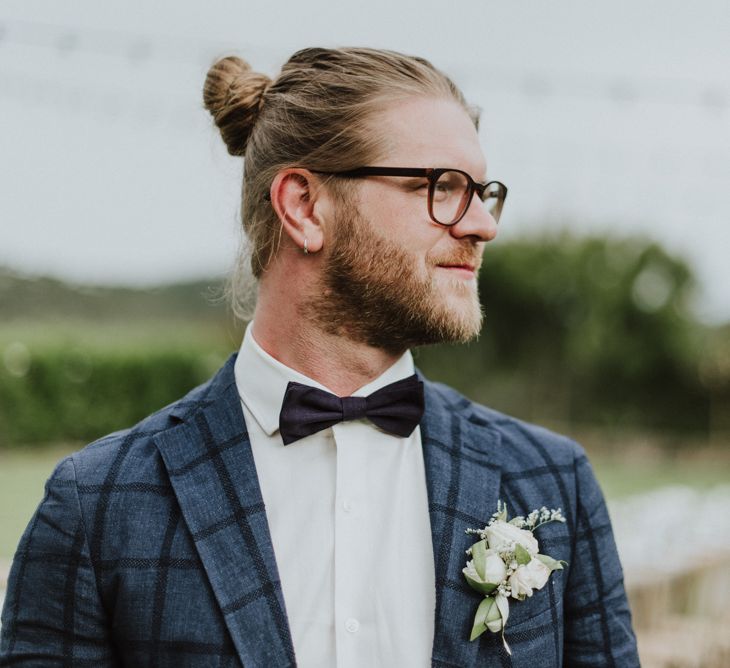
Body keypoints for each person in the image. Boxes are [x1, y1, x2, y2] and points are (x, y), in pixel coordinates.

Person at [0, 47, 639, 667]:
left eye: (482, 191)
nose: (482, 225)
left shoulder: (554, 483)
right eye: (443, 187)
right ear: (305, 207)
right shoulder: (97, 506)